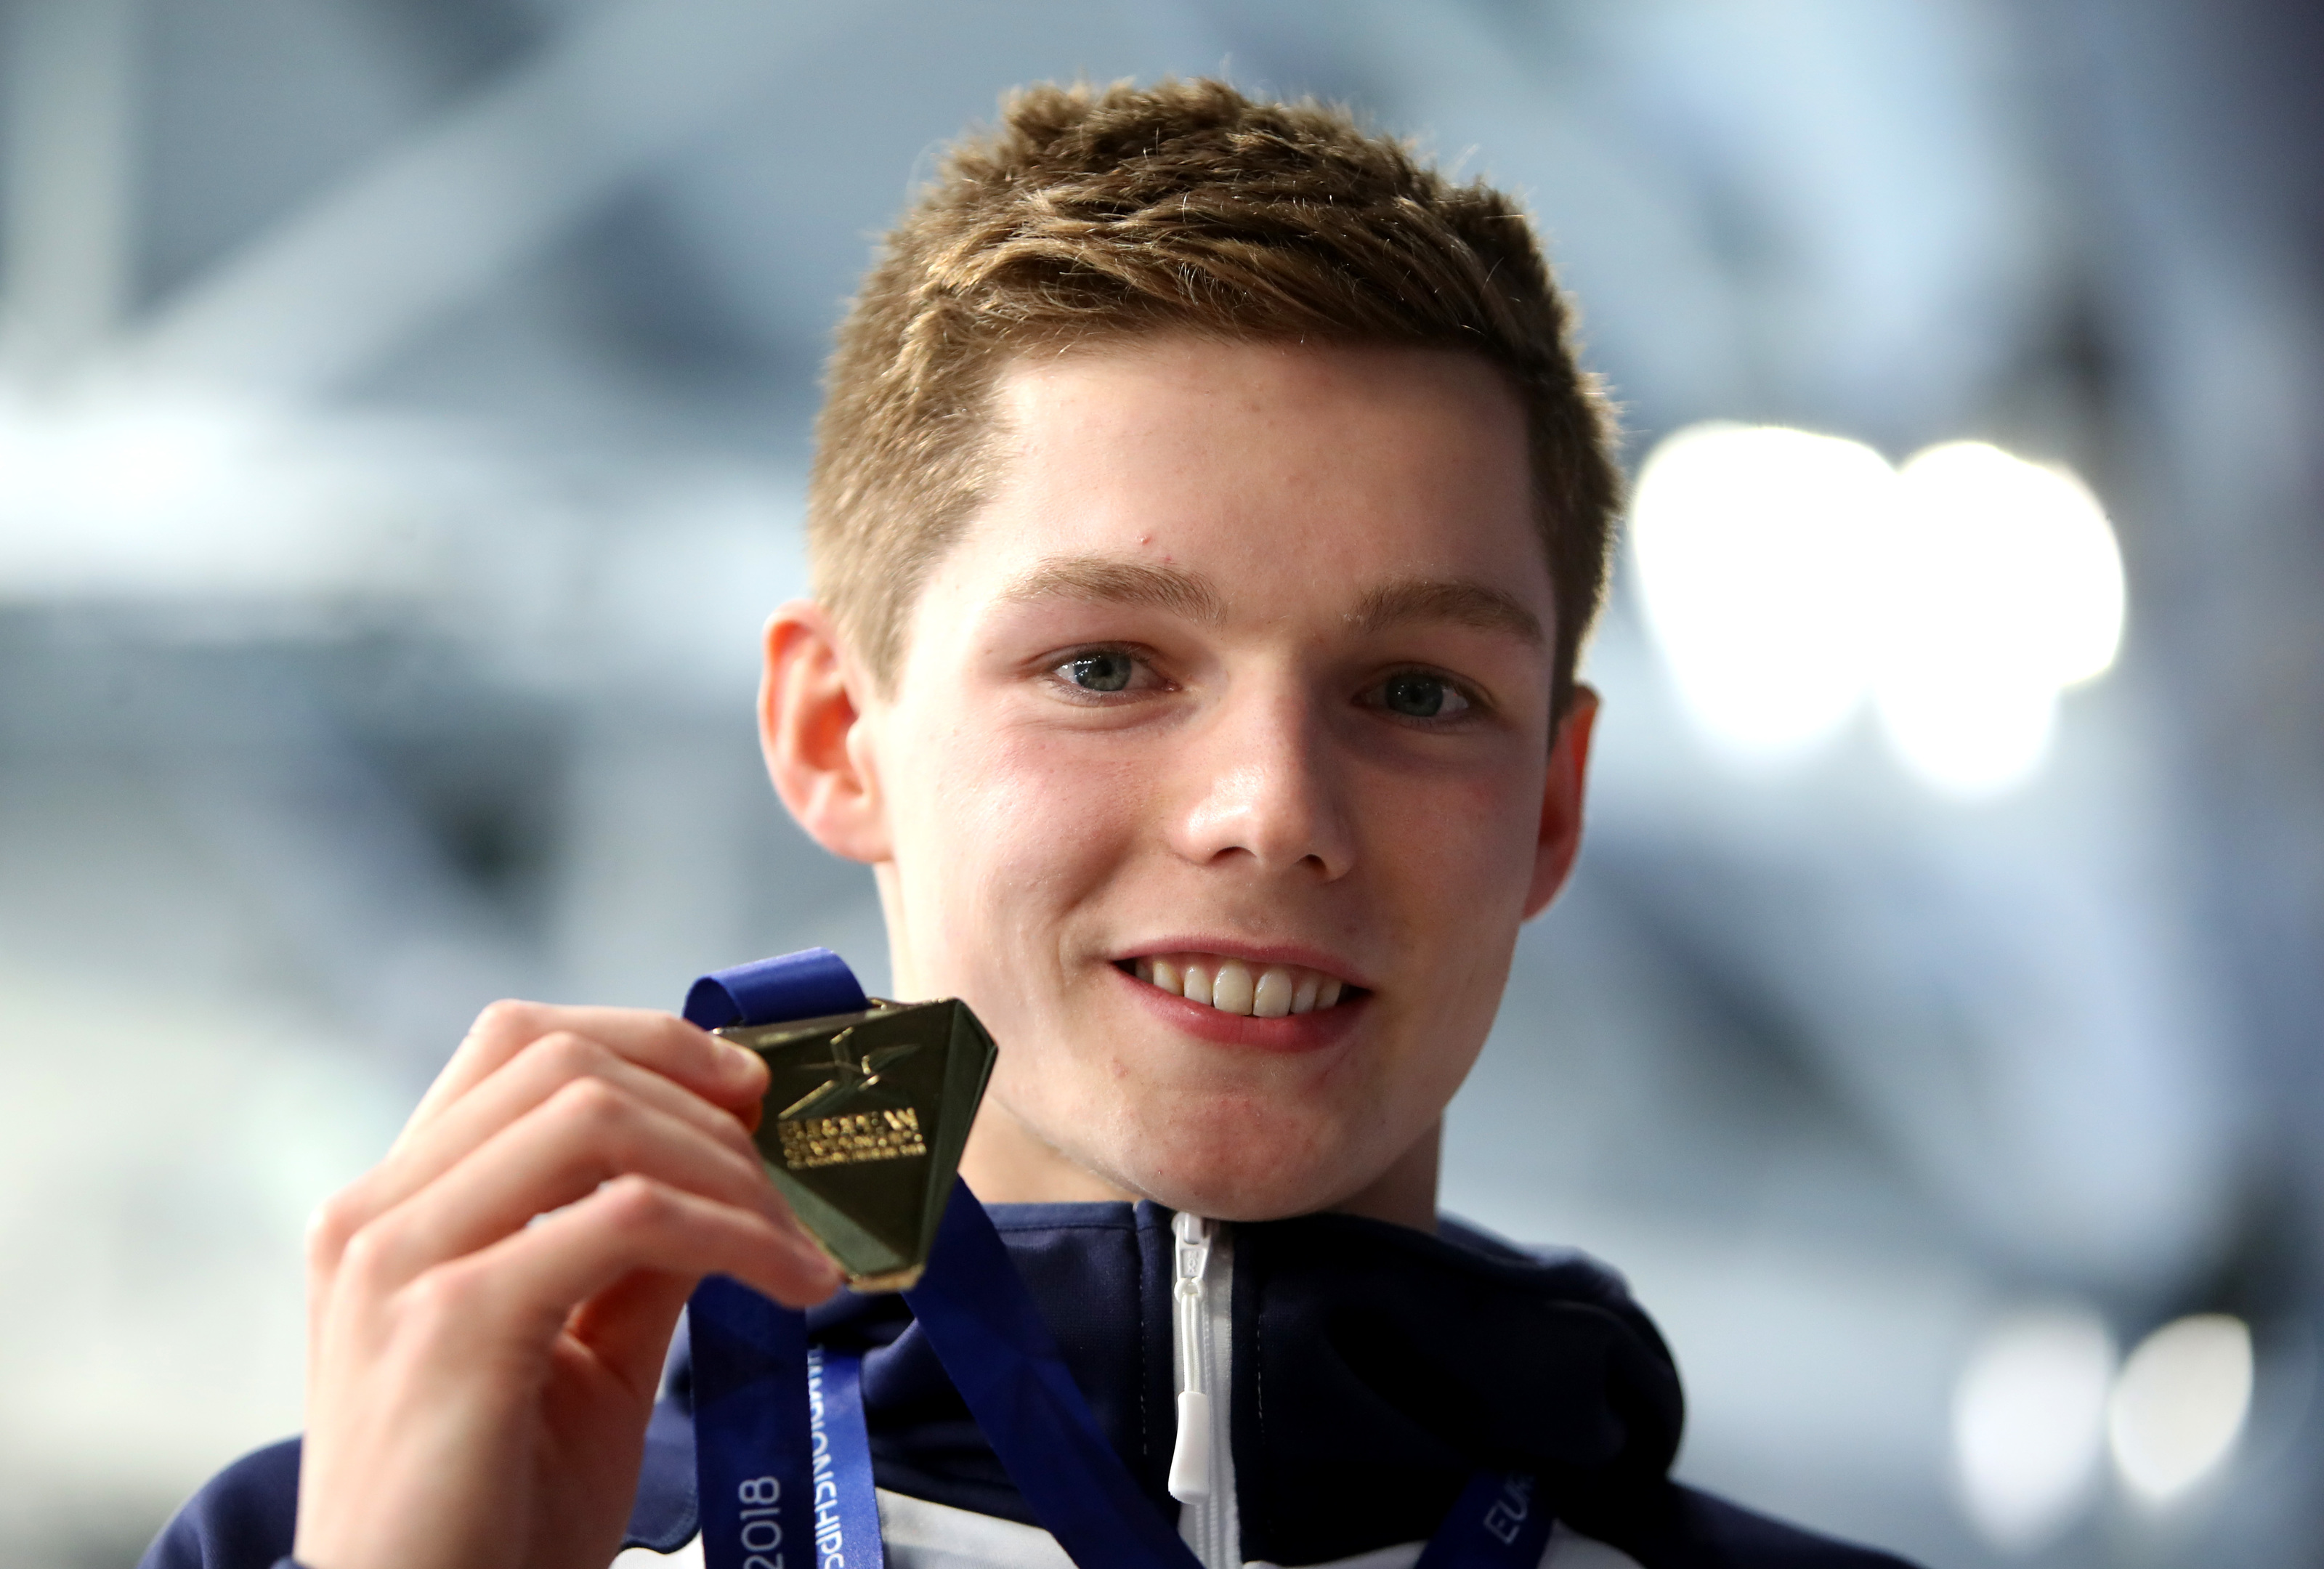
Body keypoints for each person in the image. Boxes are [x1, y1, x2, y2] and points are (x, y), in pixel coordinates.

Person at [144, 79, 1916, 1569]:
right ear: (839, 733)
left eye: (1416, 693)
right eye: (1105, 665)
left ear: (1548, 805)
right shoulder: (348, 1541)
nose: (1272, 810)